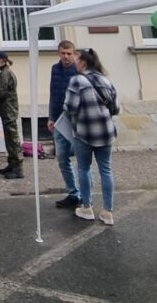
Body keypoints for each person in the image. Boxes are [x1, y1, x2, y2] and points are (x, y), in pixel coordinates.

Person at [63, 48, 118, 225]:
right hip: (106, 131)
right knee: (106, 169)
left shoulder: (77, 80)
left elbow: (70, 108)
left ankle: (87, 207)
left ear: (83, 63)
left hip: (84, 132)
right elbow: (116, 108)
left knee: (84, 168)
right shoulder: (105, 80)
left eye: (76, 59)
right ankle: (107, 211)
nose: (74, 62)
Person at [48, 40, 81, 207]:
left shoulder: (79, 70)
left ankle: (85, 194)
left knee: (82, 159)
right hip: (59, 120)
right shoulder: (55, 69)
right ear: (58, 53)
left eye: (69, 53)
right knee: (62, 158)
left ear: (74, 53)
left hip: (77, 120)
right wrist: (51, 117)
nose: (66, 57)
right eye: (63, 53)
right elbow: (53, 94)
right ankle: (73, 192)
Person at [0, 51, 23, 179]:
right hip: (7, 110)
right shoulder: (6, 72)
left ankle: (18, 169)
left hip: (8, 110)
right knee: (9, 140)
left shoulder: (5, 74)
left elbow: (1, 93)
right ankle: (12, 164)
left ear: (1, 61)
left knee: (13, 140)